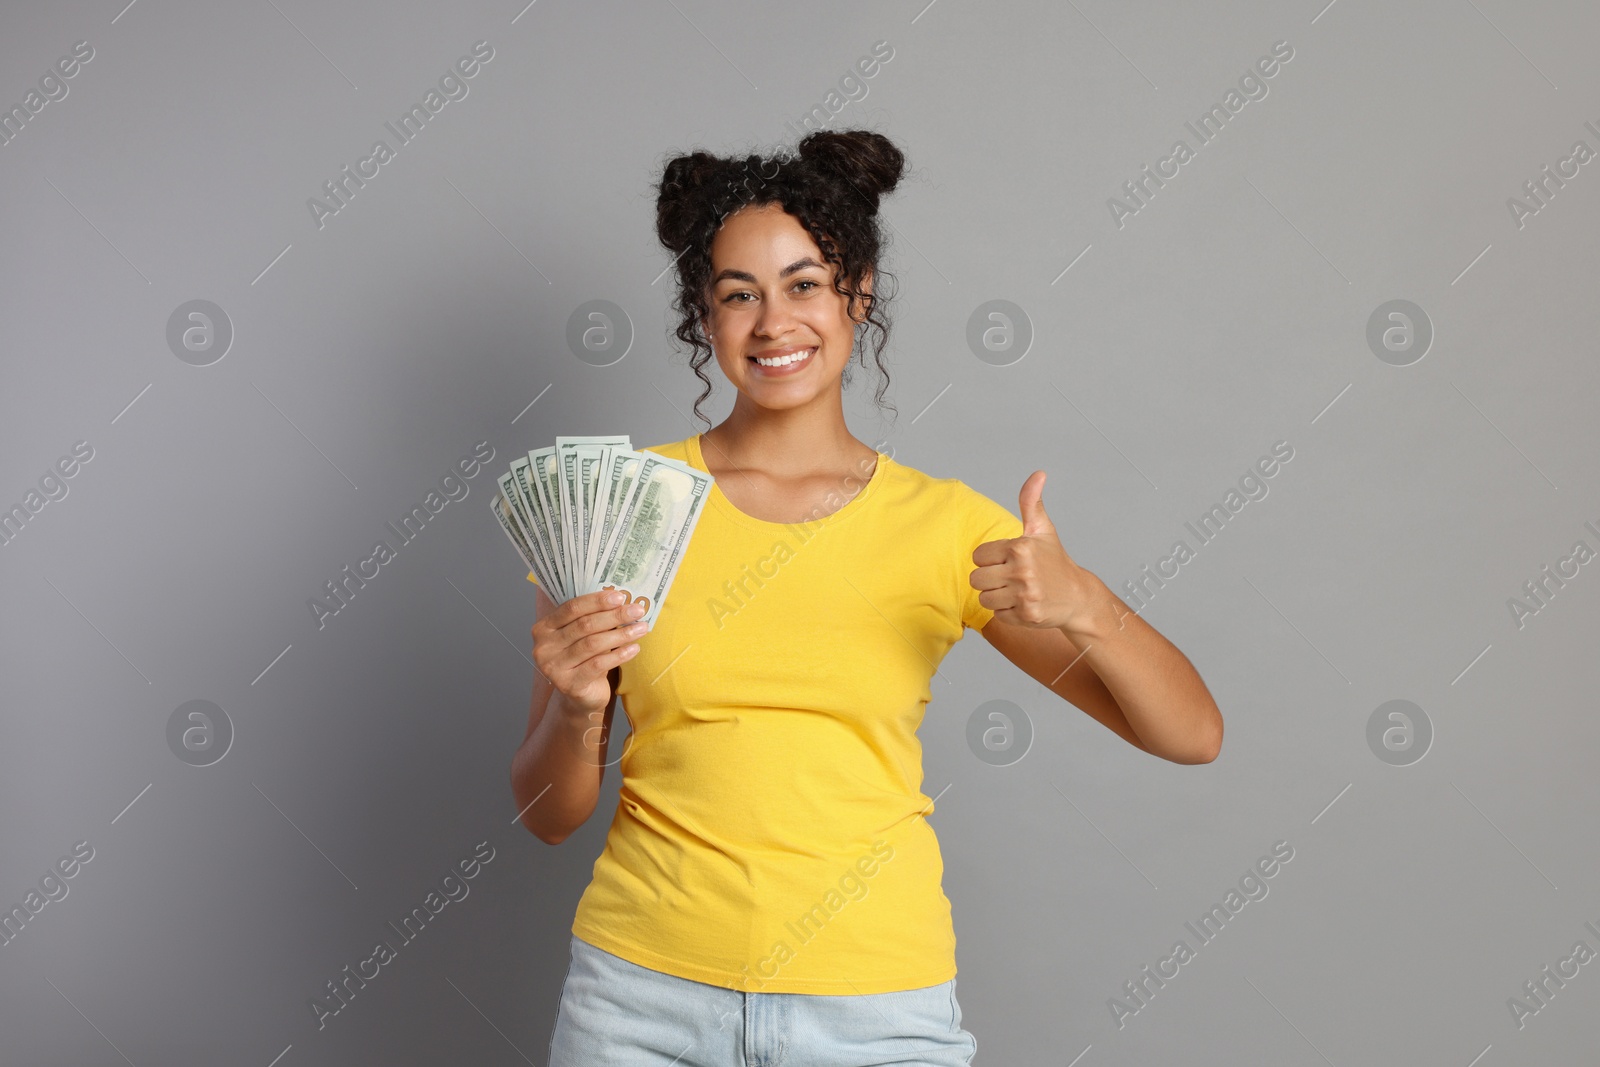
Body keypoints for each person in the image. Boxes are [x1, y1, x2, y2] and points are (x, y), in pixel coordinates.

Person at [510, 129, 1223, 1067]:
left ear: (860, 292)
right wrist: (576, 708)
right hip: (641, 1005)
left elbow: (1190, 734)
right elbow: (549, 815)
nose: (774, 323)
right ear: (703, 313)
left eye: (805, 284)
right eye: (738, 294)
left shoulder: (942, 526)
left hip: (874, 1013)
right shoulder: (621, 506)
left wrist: (1086, 601)